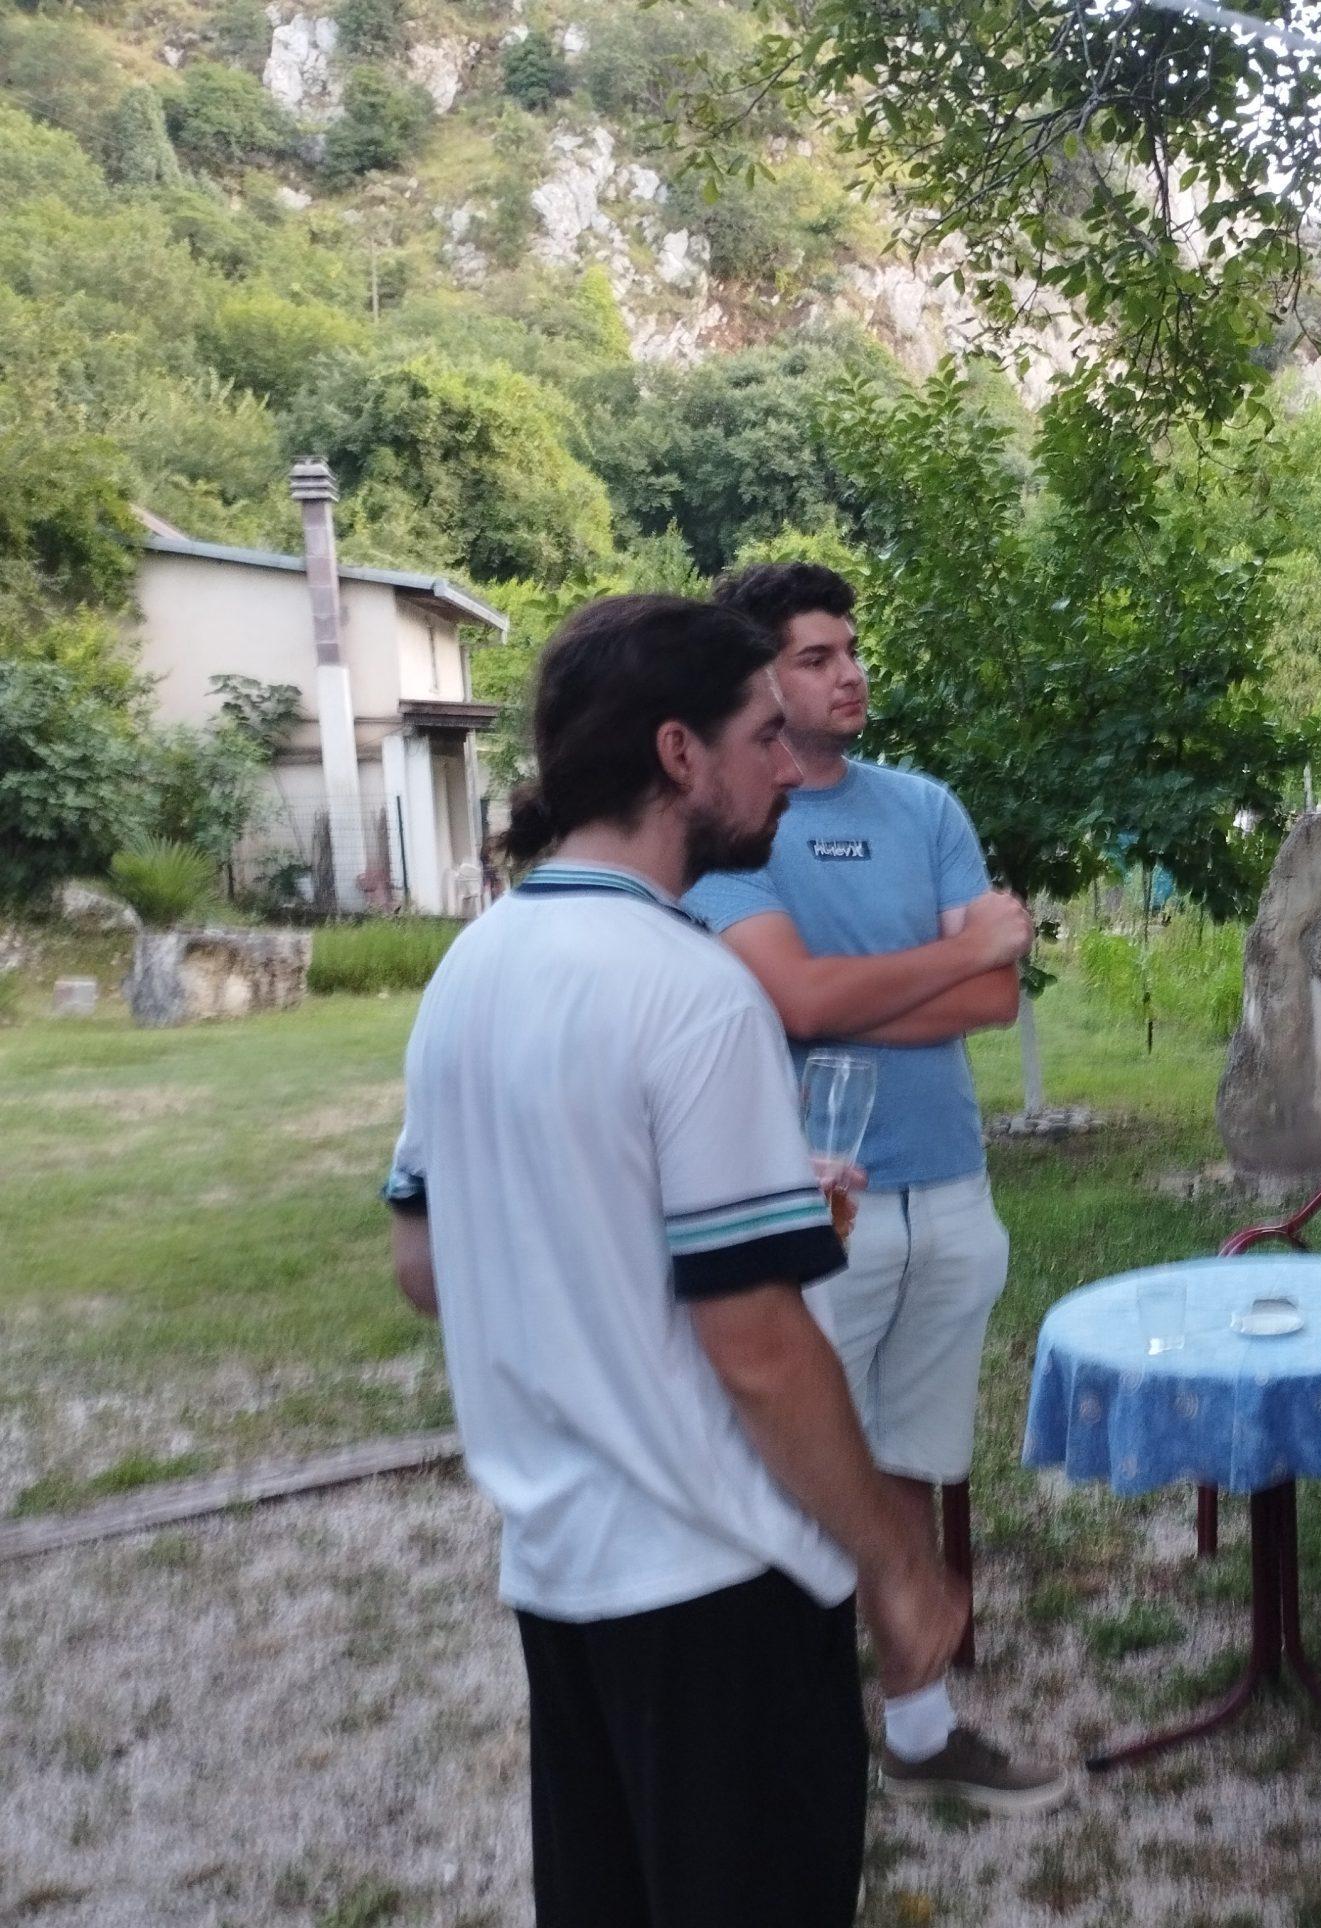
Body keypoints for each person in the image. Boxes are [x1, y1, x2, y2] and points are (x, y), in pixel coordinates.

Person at [382, 594, 968, 1925]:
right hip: (720, 1591)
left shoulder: (471, 969)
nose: (788, 767)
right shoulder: (693, 989)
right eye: (763, 735)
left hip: (561, 1580)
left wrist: (659, 1213)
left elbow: (427, 1265)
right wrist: (897, 1563)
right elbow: (756, 1344)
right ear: (677, 752)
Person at [684, 560, 1067, 1815]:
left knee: (912, 1461)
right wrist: (931, 961)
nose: (848, 673)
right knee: (797, 1478)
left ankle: (918, 1726)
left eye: (850, 649)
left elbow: (994, 993)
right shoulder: (733, 824)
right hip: (808, 1206)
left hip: (948, 1184)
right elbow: (794, 999)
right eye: (814, 656)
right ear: (757, 680)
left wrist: (845, 993)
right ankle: (786, 1755)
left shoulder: (922, 804)